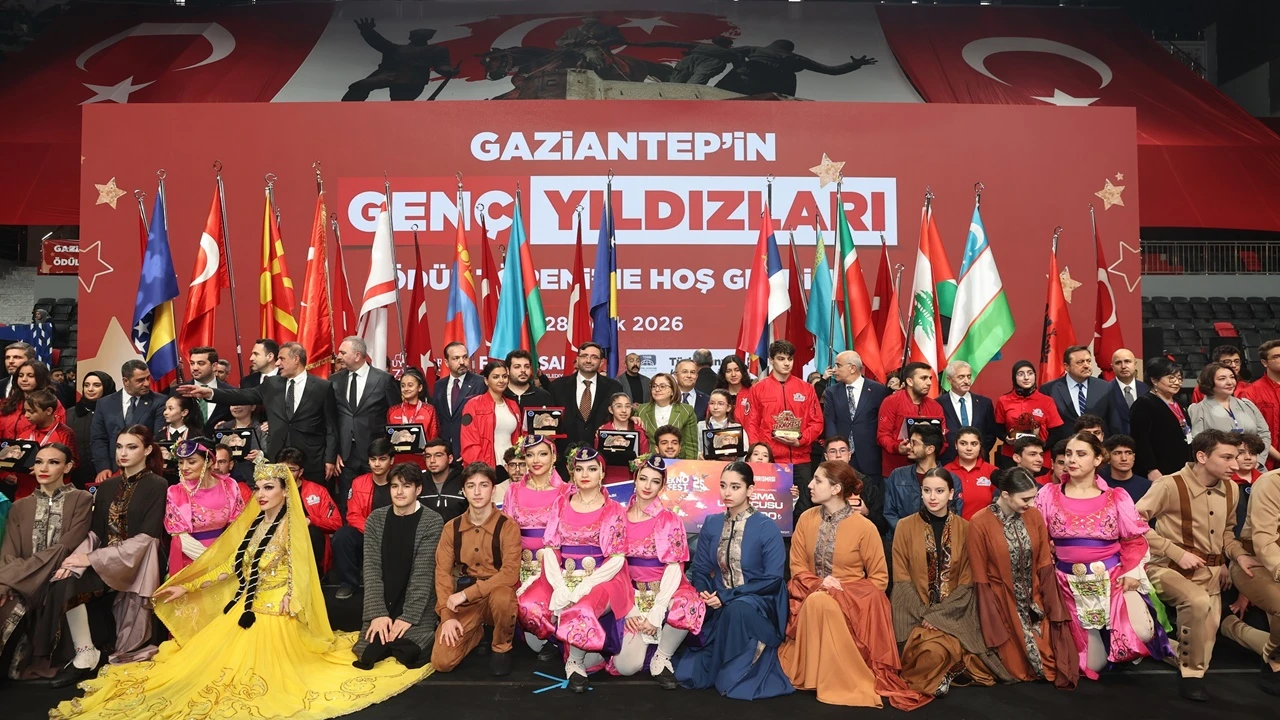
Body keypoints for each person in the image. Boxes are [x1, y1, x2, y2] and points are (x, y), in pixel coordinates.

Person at [57, 460, 431, 720]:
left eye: (269, 488)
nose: (261, 494)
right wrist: (187, 588)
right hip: (244, 606)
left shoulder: (292, 527)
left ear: (285, 491)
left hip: (275, 610)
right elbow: (228, 568)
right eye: (258, 488)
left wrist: (290, 597)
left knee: (257, 680)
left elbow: (301, 572)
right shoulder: (252, 525)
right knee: (200, 673)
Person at [780, 460, 922, 708]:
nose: (810, 485)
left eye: (818, 480)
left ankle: (834, 675)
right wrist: (820, 584)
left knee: (822, 601)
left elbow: (879, 579)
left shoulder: (864, 527)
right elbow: (797, 567)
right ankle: (818, 672)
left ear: (836, 489)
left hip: (852, 605)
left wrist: (842, 593)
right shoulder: (805, 520)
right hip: (809, 595)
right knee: (818, 600)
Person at [1036, 432, 1171, 679]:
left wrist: (1132, 572)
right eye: (1068, 454)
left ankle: (1119, 636)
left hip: (1113, 578)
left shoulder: (1116, 497)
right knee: (1092, 665)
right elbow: (1037, 538)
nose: (1072, 460)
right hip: (1066, 584)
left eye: (1081, 454)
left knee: (1142, 632)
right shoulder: (1048, 495)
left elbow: (1134, 539)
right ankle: (1102, 640)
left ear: (1098, 459)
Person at [1134, 429, 1255, 700]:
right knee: (1196, 604)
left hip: (1210, 574)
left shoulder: (1231, 489)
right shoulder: (1169, 485)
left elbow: (1227, 533)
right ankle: (1190, 676)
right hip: (1166, 568)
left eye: (1236, 457)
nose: (1235, 464)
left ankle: (1156, 643)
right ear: (1202, 456)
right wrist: (1174, 552)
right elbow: (1133, 522)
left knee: (1203, 650)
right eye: (1227, 457)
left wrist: (1237, 556)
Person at [45, 425, 167, 688]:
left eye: (132, 447)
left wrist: (92, 560)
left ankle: (104, 651)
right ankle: (85, 654)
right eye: (119, 446)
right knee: (66, 579)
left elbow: (147, 538)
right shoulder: (108, 485)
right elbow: (95, 533)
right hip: (104, 559)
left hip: (139, 563)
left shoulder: (158, 485)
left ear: (147, 450)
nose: (123, 453)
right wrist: (75, 560)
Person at [675, 462, 792, 699]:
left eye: (735, 487)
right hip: (718, 600)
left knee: (737, 610)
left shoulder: (767, 527)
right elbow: (700, 569)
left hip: (758, 603)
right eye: (723, 485)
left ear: (750, 490)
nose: (727, 492)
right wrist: (705, 593)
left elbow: (773, 580)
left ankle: (736, 671)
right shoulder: (712, 523)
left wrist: (726, 597)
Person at [517, 447, 630, 692]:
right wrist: (558, 585)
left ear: (602, 473)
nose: (585, 474)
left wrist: (585, 585)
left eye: (592, 469)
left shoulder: (613, 509)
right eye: (579, 469)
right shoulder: (560, 504)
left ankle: (575, 662)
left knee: (582, 608)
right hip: (561, 574)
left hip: (601, 578)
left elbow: (617, 558)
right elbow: (550, 548)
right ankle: (557, 641)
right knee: (528, 604)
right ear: (573, 473)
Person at [892, 468, 1009, 698]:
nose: (932, 497)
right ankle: (946, 673)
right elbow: (902, 578)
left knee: (972, 658)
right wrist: (926, 616)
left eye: (939, 491)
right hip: (915, 615)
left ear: (951, 493)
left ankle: (942, 674)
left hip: (955, 614)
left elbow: (967, 581)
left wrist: (939, 616)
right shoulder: (904, 526)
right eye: (927, 490)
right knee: (931, 651)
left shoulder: (965, 529)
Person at [967, 467, 1079, 688]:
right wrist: (991, 621)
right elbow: (979, 577)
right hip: (1001, 604)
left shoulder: (1034, 516)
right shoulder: (979, 522)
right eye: (1025, 499)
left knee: (1055, 660)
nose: (1031, 503)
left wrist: (1053, 606)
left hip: (1035, 599)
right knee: (1015, 667)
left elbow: (1045, 563)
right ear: (1005, 494)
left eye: (1033, 497)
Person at [183, 342, 338, 487]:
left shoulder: (322, 387)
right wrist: (210, 393)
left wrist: (330, 459)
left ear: (296, 359)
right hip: (276, 457)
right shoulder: (272, 384)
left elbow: (331, 426)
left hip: (312, 460)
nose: (277, 363)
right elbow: (243, 395)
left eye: (282, 359)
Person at [609, 454, 706, 687]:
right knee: (626, 667)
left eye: (655, 481)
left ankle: (663, 656)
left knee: (690, 604)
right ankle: (645, 641)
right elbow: (612, 567)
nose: (647, 486)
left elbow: (674, 567)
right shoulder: (617, 518)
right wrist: (629, 607)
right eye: (643, 479)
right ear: (635, 479)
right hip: (630, 592)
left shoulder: (669, 520)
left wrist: (658, 609)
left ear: (662, 486)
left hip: (666, 589)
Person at [0, 444, 93, 679]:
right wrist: (6, 584)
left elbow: (65, 547)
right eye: (39, 462)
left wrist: (14, 579)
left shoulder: (81, 499)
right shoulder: (20, 506)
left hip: (56, 578)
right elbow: (9, 553)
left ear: (67, 467)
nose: (44, 468)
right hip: (21, 582)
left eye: (53, 462)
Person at [351, 462, 443, 671]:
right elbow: (372, 569)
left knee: (411, 653)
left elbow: (423, 574)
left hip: (416, 605)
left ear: (418, 489)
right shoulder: (376, 519)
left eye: (406, 486)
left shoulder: (432, 521)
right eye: (394, 486)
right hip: (384, 601)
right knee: (367, 654)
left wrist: (408, 617)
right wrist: (378, 613)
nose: (399, 492)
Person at [432, 463, 521, 676]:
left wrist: (466, 594)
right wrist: (446, 615)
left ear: (493, 490)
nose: (477, 492)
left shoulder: (508, 526)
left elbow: (510, 573)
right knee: (442, 662)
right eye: (471, 486)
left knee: (503, 596)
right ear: (463, 491)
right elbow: (442, 573)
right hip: (464, 602)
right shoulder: (451, 528)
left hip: (494, 592)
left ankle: (501, 646)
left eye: (484, 485)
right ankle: (476, 632)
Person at [504, 435, 571, 658]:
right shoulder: (513, 490)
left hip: (553, 568)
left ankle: (555, 638)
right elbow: (507, 532)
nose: (536, 460)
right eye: (530, 455)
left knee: (530, 608)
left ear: (554, 457)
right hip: (519, 565)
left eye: (542, 454)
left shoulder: (567, 491)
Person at [741, 340, 823, 516]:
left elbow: (817, 422)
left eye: (790, 359)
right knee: (771, 511)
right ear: (771, 360)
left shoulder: (806, 389)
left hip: (801, 461)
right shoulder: (758, 389)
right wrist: (759, 455)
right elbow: (751, 424)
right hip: (772, 462)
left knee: (804, 510)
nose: (786, 363)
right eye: (781, 359)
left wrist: (801, 440)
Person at [331, 337, 400, 510]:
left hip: (376, 454)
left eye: (343, 352)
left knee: (379, 501)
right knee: (348, 503)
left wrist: (387, 450)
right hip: (345, 455)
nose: (339, 356)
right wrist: (335, 451)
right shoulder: (334, 380)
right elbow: (331, 420)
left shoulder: (384, 380)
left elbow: (395, 416)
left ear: (357, 355)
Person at [1229, 463, 1280, 697]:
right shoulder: (1271, 483)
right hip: (1253, 561)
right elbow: (1264, 541)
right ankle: (1274, 658)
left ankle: (1230, 627)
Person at [163, 438, 246, 576]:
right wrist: (213, 563)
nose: (184, 467)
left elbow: (237, 526)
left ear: (209, 461)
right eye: (181, 462)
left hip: (227, 556)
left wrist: (229, 559)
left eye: (191, 462)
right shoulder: (176, 492)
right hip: (192, 562)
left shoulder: (229, 486)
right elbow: (180, 537)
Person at [332, 437, 396, 601]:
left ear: (391, 460)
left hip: (394, 533)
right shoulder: (358, 483)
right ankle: (348, 583)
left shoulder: (401, 483)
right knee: (342, 536)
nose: (377, 464)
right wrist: (372, 530)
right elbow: (353, 515)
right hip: (367, 532)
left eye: (382, 459)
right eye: (373, 459)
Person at [822, 350, 891, 488]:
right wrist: (835, 451)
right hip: (841, 457)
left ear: (852, 368)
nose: (834, 370)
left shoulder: (878, 390)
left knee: (871, 495)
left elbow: (883, 423)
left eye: (838, 365)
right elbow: (830, 422)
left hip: (869, 456)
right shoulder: (831, 392)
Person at [90, 361, 166, 483]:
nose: (147, 383)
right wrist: (103, 468)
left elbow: (158, 437)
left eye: (148, 378)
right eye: (140, 380)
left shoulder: (159, 402)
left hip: (145, 471)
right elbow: (99, 438)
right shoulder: (104, 403)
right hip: (112, 472)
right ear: (126, 381)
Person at [884, 423, 961, 538]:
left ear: (930, 449)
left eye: (914, 443)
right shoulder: (897, 475)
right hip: (902, 540)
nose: (908, 446)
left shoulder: (952, 479)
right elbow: (889, 512)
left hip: (939, 542)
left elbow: (955, 514)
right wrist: (908, 535)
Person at [276, 447, 343, 576]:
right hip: (279, 541)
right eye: (282, 469)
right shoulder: (269, 490)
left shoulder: (317, 491)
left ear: (301, 472)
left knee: (313, 532)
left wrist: (311, 520)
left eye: (292, 470)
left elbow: (336, 522)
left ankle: (313, 576)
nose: (286, 474)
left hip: (308, 542)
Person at [550, 343, 624, 457]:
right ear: (577, 359)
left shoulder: (614, 387)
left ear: (601, 362)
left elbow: (619, 415)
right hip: (564, 454)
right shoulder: (557, 386)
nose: (588, 360)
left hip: (601, 455)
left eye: (594, 357)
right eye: (584, 356)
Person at [1130, 356, 1194, 482]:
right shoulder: (1144, 403)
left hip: (1183, 467)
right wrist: (1151, 469)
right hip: (1159, 470)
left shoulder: (1179, 403)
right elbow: (1140, 440)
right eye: (1171, 378)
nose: (1177, 382)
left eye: (1179, 378)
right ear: (1154, 380)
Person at [877, 362, 947, 476]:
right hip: (896, 471)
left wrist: (929, 450)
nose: (929, 383)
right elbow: (883, 436)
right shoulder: (891, 402)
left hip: (928, 472)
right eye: (923, 378)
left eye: (930, 378)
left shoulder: (935, 407)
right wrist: (897, 448)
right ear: (909, 381)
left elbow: (943, 440)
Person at [1039, 346, 1122, 443]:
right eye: (1080, 362)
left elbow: (1114, 424)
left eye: (1088, 361)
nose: (1086, 365)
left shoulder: (1106, 388)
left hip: (1097, 448)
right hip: (1063, 448)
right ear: (1066, 366)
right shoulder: (1049, 390)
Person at [7, 389, 78, 499]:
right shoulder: (25, 431)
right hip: (24, 493)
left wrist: (44, 470)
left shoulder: (64, 433)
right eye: (25, 411)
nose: (26, 415)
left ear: (48, 411)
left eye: (31, 412)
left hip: (54, 494)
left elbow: (73, 463)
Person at [994, 361, 1064, 470]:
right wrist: (1006, 438)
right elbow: (998, 428)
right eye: (1021, 374)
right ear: (1014, 378)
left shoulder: (1047, 401)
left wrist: (1040, 447)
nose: (1026, 377)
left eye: (1030, 373)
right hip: (1011, 457)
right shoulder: (1004, 400)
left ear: (1035, 376)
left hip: (1040, 458)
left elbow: (1057, 432)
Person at [1190, 362, 1271, 446]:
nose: (1230, 382)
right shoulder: (1198, 409)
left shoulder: (1247, 405)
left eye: (1232, 377)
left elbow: (1264, 434)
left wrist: (1259, 455)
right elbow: (1199, 443)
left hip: (1252, 454)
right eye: (1222, 379)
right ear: (1209, 382)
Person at [460, 360, 522, 468]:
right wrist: (481, 469)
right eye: (496, 377)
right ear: (486, 380)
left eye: (504, 376)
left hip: (511, 466)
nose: (501, 380)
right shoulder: (472, 405)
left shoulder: (513, 405)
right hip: (485, 466)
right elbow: (469, 442)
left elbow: (518, 440)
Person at [432, 342, 485, 458]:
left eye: (465, 357)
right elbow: (438, 420)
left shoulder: (481, 383)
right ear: (446, 362)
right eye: (456, 358)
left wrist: (471, 449)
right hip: (445, 454)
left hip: (471, 450)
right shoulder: (439, 385)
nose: (462, 362)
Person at [938, 361, 997, 465]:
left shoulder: (984, 403)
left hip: (979, 462)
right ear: (949, 380)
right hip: (947, 463)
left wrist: (977, 451)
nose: (966, 381)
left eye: (969, 376)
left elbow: (991, 434)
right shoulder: (938, 404)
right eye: (961, 377)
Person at [67, 371, 115, 489]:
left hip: (110, 472)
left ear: (106, 387)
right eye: (86, 385)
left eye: (96, 385)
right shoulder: (70, 414)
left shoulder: (115, 413)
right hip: (78, 474)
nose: (90, 389)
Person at [387, 367, 439, 468]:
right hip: (398, 463)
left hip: (422, 463)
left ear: (420, 387)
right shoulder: (392, 411)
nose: (406, 389)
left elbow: (434, 438)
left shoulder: (429, 410)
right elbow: (390, 439)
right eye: (403, 386)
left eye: (410, 385)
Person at [637, 373, 697, 460]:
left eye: (662, 386)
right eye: (654, 386)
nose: (657, 389)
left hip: (678, 462)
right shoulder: (641, 410)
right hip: (649, 462)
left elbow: (691, 445)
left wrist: (689, 465)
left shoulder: (686, 411)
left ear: (672, 390)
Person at [1239, 339, 1280, 466]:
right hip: (1267, 461)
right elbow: (1252, 433)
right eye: (1276, 357)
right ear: (1264, 362)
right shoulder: (1251, 393)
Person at [945, 427, 998, 519]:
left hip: (984, 526)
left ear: (980, 446)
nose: (969, 448)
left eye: (974, 444)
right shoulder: (945, 472)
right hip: (953, 526)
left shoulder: (993, 471)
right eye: (963, 443)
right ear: (956, 445)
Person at [212, 402, 268, 485]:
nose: (236, 407)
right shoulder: (222, 427)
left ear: (253, 407)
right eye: (233, 404)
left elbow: (269, 454)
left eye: (241, 403)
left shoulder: (262, 429)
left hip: (251, 479)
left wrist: (260, 455)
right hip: (222, 479)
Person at [184, 346, 231, 428]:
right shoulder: (178, 391)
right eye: (192, 363)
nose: (194, 368)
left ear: (214, 366)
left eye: (200, 363)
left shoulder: (229, 391)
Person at [419, 438, 466, 521]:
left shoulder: (463, 481)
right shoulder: (419, 482)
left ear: (450, 459)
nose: (432, 460)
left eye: (438, 455)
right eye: (428, 456)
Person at [597, 392, 650, 460]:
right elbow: (598, 458)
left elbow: (645, 457)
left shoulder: (638, 430)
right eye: (619, 406)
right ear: (611, 409)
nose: (624, 410)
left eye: (627, 406)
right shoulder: (604, 430)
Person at [698, 389, 748, 460]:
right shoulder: (700, 426)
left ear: (728, 408)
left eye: (720, 404)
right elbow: (693, 449)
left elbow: (745, 454)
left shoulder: (736, 428)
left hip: (731, 465)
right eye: (712, 403)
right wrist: (699, 455)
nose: (715, 407)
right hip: (706, 464)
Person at [1232, 432, 1267, 532]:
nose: (1248, 457)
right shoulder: (1225, 481)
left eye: (1252, 453)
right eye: (1241, 452)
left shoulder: (1264, 480)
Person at [504, 349, 554, 416]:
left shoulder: (544, 396)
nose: (523, 370)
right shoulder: (500, 395)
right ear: (507, 370)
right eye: (517, 367)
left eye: (527, 366)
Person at [1110, 348, 1149, 434]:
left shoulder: (1147, 389)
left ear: (1135, 364)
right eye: (1118, 363)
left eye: (1127, 361)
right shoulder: (1106, 391)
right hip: (1116, 440)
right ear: (1112, 367)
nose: (1123, 366)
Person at [1101, 434, 1150, 502]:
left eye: (1128, 453)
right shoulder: (1100, 486)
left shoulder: (1148, 487)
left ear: (1134, 457)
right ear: (1108, 458)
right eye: (1117, 453)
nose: (1124, 458)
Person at [715, 354, 752, 419]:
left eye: (737, 370)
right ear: (723, 374)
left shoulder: (752, 393)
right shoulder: (718, 395)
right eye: (728, 371)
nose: (733, 374)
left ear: (743, 371)